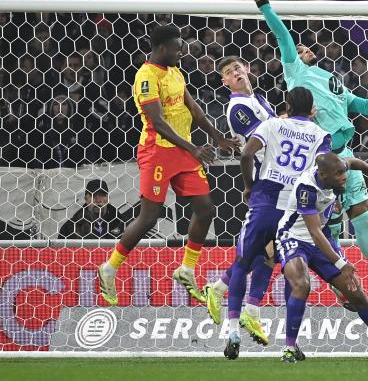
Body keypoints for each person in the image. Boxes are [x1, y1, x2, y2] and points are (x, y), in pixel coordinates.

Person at [243, 0, 368, 300]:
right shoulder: (295, 71)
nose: (302, 48)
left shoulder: (333, 81)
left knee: (362, 219)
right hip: (318, 161)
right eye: (298, 48)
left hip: (344, 156)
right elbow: (282, 35)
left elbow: (365, 106)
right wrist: (263, 2)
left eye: (306, 46)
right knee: (326, 228)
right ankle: (339, 288)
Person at [97, 25, 238, 306]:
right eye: (177, 48)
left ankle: (186, 268)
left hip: (184, 151)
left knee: (206, 208)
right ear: (162, 48)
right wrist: (195, 148)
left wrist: (217, 137)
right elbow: (158, 123)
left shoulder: (175, 72)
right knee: (149, 216)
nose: (181, 53)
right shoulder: (146, 77)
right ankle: (109, 267)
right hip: (157, 152)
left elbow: (194, 108)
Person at [215, 86, 332, 360]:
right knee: (295, 273)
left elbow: (246, 155)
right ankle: (290, 344)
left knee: (243, 263)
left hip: (265, 201)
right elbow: (323, 170)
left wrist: (248, 186)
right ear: (312, 108)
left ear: (288, 106)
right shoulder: (320, 135)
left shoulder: (272, 124)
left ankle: (232, 331)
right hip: (294, 211)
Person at [276, 152, 368, 362]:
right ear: (323, 174)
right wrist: (341, 263)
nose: (344, 177)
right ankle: (288, 348)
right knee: (302, 285)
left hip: (319, 241)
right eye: (339, 174)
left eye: (344, 172)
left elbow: (353, 163)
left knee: (356, 293)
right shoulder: (307, 188)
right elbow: (313, 231)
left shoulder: (338, 170)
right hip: (294, 238)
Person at [202, 55, 280, 348]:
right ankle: (242, 311)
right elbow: (258, 145)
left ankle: (223, 290)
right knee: (256, 252)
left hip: (279, 180)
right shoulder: (237, 109)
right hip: (264, 183)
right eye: (228, 72)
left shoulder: (258, 99)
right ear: (224, 82)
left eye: (238, 67)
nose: (235, 72)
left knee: (270, 253)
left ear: (247, 69)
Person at [58, 180, 124, 241]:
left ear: (108, 198)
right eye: (93, 195)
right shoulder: (70, 227)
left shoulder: (122, 224)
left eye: (102, 195)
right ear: (86, 199)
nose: (98, 200)